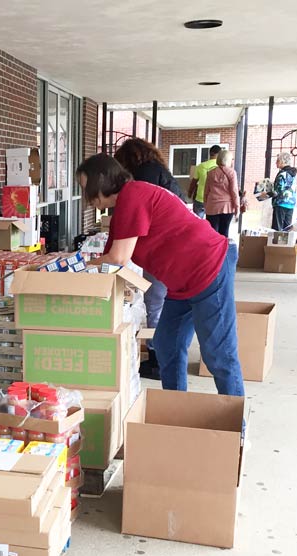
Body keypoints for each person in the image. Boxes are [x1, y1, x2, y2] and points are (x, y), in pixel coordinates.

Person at [76, 153, 245, 398]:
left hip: (208, 268)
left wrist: (78, 268)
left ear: (101, 179)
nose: (86, 198)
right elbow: (109, 262)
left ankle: (235, 431)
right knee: (167, 345)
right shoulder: (121, 209)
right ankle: (175, 410)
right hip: (181, 282)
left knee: (219, 354)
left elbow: (118, 258)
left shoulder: (133, 195)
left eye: (86, 187)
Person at [113, 138, 186, 379]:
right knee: (162, 303)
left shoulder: (143, 177)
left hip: (165, 249)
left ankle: (157, 360)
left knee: (155, 303)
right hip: (173, 248)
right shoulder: (159, 171)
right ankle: (164, 358)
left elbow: (137, 219)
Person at [203, 149, 240, 237]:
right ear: (228, 160)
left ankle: (213, 250)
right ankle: (223, 250)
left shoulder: (210, 173)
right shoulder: (232, 173)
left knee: (212, 234)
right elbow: (234, 192)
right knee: (224, 232)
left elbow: (206, 191)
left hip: (212, 207)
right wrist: (237, 208)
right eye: (231, 159)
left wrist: (206, 205)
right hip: (227, 207)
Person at [263, 152, 297, 230]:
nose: (276, 162)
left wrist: (265, 194)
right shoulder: (293, 175)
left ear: (283, 161)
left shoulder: (282, 174)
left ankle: (277, 242)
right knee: (287, 229)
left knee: (277, 229)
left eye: (278, 160)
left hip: (280, 204)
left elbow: (277, 191)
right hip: (290, 204)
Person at [187, 144, 222, 218]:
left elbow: (194, 182)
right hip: (214, 200)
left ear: (210, 154)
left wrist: (190, 193)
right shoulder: (222, 167)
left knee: (197, 223)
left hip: (200, 198)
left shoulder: (201, 166)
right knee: (212, 224)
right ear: (219, 154)